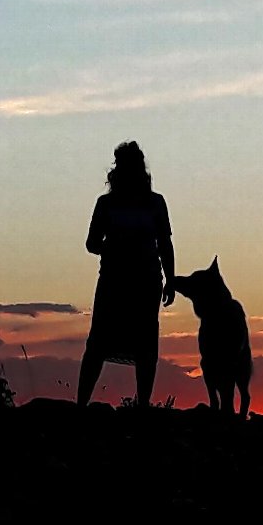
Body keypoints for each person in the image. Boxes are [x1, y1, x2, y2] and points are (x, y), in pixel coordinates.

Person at [77, 141, 175, 407]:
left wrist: (171, 279)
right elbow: (91, 243)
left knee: (145, 344)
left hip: (146, 281)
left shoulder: (156, 203)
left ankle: (142, 405)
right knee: (98, 342)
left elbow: (165, 243)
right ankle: (81, 405)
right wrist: (113, 245)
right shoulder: (105, 204)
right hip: (113, 281)